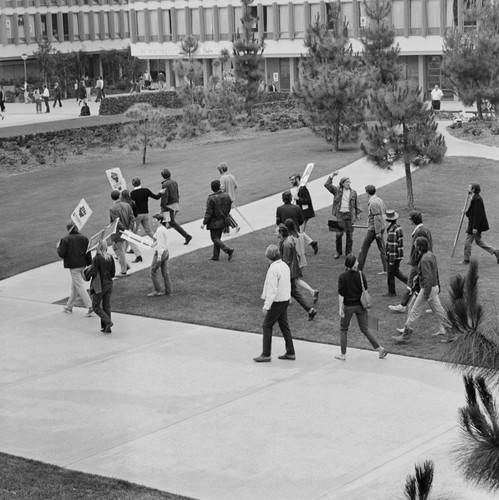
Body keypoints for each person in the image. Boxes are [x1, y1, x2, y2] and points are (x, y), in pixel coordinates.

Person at [392, 237, 449, 344]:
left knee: (414, 311)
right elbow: (432, 273)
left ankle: (405, 336)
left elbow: (427, 277)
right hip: (434, 287)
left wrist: (425, 294)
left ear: (419, 246)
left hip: (428, 289)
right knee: (439, 310)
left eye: (416, 245)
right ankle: (452, 332)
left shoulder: (424, 259)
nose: (414, 246)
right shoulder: (430, 255)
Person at [336, 254, 388, 360]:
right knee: (365, 328)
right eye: (356, 261)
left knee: (343, 329)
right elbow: (365, 291)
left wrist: (340, 308)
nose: (358, 262)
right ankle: (380, 349)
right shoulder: (360, 274)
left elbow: (341, 294)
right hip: (360, 306)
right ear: (353, 263)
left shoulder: (342, 277)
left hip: (348, 307)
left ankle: (343, 354)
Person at [253, 244, 296, 363]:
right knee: (284, 326)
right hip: (284, 300)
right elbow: (287, 284)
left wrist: (267, 305)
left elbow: (272, 289)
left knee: (267, 325)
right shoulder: (284, 266)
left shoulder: (273, 269)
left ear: (269, 257)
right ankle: (290, 352)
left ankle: (266, 354)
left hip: (277, 302)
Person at [389, 211, 433, 313]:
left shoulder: (419, 232)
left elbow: (420, 248)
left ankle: (403, 305)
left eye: (411, 220)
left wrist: (417, 262)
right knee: (423, 283)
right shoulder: (425, 229)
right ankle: (433, 306)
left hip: (419, 262)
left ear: (413, 220)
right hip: (423, 261)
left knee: (411, 283)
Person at [277, 224, 317, 321]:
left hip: (289, 271)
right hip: (292, 270)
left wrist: (282, 273)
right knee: (292, 292)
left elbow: (286, 261)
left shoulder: (286, 244)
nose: (275, 233)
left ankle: (277, 313)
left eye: (276, 231)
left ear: (281, 233)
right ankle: (310, 310)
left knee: (288, 292)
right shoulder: (288, 240)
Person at [56, 221, 93, 316]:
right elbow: (88, 252)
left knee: (79, 286)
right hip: (82, 264)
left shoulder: (65, 239)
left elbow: (62, 254)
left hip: (73, 266)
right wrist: (89, 263)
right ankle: (69, 306)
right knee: (75, 286)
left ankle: (90, 306)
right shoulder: (84, 238)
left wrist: (58, 247)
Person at [324, 171, 362, 259]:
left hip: (349, 216)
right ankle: (338, 252)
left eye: (349, 182)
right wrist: (332, 176)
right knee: (338, 234)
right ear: (342, 183)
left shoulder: (353, 193)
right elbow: (327, 185)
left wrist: (359, 214)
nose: (349, 183)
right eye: (347, 182)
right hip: (340, 216)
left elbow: (357, 204)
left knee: (350, 236)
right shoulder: (337, 190)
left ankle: (348, 253)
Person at [461, 183, 499, 265]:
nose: (468, 188)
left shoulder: (477, 199)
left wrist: (474, 228)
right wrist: (466, 212)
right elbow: (472, 212)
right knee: (478, 241)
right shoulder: (474, 197)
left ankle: (466, 260)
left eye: (469, 187)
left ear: (473, 189)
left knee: (468, 242)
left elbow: (477, 215)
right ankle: (495, 251)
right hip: (476, 225)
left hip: (475, 225)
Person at [284, 218, 319, 304]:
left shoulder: (290, 239)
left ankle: (289, 298)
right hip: (302, 261)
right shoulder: (301, 235)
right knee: (294, 280)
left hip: (295, 262)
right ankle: (311, 291)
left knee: (292, 280)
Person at [201, 180, 235, 261]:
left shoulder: (211, 198)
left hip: (214, 221)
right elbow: (228, 208)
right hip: (223, 220)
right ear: (219, 186)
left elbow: (209, 212)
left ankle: (228, 250)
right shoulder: (226, 196)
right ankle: (215, 256)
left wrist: (204, 223)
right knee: (217, 238)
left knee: (214, 239)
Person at [357, 185, 387, 274]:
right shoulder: (379, 200)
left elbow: (376, 217)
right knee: (382, 249)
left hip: (374, 229)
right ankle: (386, 269)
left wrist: (377, 232)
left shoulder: (373, 202)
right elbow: (384, 212)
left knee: (364, 248)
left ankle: (358, 269)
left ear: (367, 193)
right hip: (381, 226)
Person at [87, 240, 116, 334]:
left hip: (100, 285)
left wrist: (88, 271)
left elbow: (94, 273)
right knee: (106, 305)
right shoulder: (110, 257)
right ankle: (106, 327)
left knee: (95, 306)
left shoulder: (96, 258)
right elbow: (113, 273)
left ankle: (107, 322)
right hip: (109, 284)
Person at [159, 168, 192, 245]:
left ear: (163, 176)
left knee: (168, 223)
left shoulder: (165, 184)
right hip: (174, 204)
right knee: (166, 223)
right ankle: (160, 240)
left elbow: (165, 196)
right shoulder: (174, 182)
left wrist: (162, 207)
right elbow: (177, 193)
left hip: (168, 206)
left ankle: (187, 236)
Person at [289, 173, 319, 254]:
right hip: (301, 213)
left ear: (297, 179)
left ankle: (302, 250)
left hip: (304, 214)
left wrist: (298, 198)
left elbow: (308, 200)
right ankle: (312, 243)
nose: (291, 181)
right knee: (300, 232)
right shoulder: (299, 188)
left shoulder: (303, 189)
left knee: (300, 232)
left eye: (292, 180)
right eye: (290, 180)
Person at [109, 189, 135, 276]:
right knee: (115, 248)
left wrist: (125, 230)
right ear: (119, 196)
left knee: (120, 251)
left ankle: (123, 271)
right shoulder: (127, 205)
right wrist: (129, 229)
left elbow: (117, 221)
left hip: (119, 232)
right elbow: (132, 218)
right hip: (125, 230)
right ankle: (126, 266)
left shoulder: (112, 209)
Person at [384, 209, 408, 297]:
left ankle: (392, 292)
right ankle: (410, 283)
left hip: (393, 256)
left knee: (391, 273)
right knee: (396, 272)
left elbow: (392, 247)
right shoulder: (398, 227)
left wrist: (391, 261)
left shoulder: (392, 231)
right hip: (399, 255)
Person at [148, 213, 173, 297]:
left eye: (155, 220)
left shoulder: (159, 230)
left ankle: (157, 290)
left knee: (152, 271)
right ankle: (168, 291)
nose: (153, 221)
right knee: (165, 273)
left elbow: (161, 244)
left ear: (159, 221)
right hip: (166, 252)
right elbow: (160, 240)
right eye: (153, 219)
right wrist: (154, 244)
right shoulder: (163, 228)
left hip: (161, 253)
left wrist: (159, 256)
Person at [120, 190, 142, 263]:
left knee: (130, 240)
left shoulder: (123, 204)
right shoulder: (132, 203)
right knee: (126, 239)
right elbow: (136, 214)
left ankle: (139, 256)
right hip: (133, 223)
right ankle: (121, 255)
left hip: (128, 225)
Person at [218, 162, 240, 232]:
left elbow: (222, 189)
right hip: (231, 198)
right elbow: (236, 186)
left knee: (224, 214)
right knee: (225, 214)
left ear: (221, 170)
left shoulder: (222, 178)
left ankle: (230, 229)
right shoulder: (232, 176)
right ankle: (229, 229)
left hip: (225, 199)